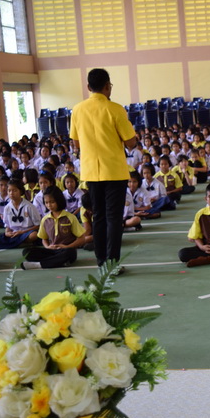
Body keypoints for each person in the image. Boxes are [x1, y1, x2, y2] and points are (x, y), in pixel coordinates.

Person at [70, 68, 136, 268]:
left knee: (98, 216)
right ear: (108, 86)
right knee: (113, 218)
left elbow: (76, 144)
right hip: (114, 171)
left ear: (88, 87)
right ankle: (112, 262)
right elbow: (131, 142)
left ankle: (101, 261)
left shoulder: (77, 110)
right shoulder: (115, 109)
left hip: (91, 172)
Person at [22, 186, 86, 269]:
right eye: (46, 202)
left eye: (52, 202)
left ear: (59, 201)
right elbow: (44, 239)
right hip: (51, 250)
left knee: (69, 253)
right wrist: (47, 247)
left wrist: (67, 246)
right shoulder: (45, 219)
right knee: (26, 252)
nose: (49, 205)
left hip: (66, 250)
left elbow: (82, 238)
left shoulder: (70, 217)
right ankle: (58, 262)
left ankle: (40, 265)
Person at [0, 180, 40, 250]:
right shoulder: (7, 208)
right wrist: (7, 233)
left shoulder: (29, 206)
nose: (11, 193)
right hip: (14, 233)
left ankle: (17, 242)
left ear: (20, 191)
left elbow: (37, 225)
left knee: (34, 235)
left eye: (14, 190)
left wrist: (23, 232)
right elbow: (7, 226)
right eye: (9, 191)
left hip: (26, 232)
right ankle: (21, 243)